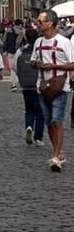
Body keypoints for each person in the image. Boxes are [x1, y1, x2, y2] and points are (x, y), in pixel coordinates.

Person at [31, 9, 74, 172]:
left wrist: (55, 66)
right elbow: (32, 61)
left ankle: (56, 156)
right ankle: (58, 150)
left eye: (40, 21)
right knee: (49, 122)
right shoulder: (38, 42)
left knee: (57, 120)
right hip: (42, 86)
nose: (37, 24)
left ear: (50, 23)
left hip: (60, 87)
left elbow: (73, 63)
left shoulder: (64, 42)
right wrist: (37, 64)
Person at [13, 28, 45, 147]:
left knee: (29, 109)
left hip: (26, 85)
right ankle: (38, 138)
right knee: (40, 111)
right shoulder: (40, 50)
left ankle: (29, 126)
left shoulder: (21, 51)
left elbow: (14, 66)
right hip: (39, 83)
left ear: (25, 37)